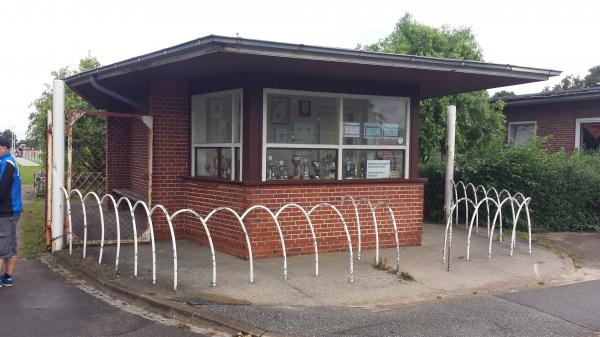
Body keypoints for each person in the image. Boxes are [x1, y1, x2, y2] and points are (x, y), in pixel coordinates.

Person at [0, 136, 22, 287]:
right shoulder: (7, 161)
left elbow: (1, 189)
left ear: (4, 147)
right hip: (12, 211)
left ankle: (6, 278)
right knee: (10, 245)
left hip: (6, 211)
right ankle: (7, 277)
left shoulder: (7, 163)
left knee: (2, 247)